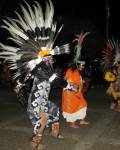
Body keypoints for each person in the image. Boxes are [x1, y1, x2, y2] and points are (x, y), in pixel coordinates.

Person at [0, 0, 70, 149]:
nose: (52, 61)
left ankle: (54, 132)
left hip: (43, 102)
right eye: (50, 59)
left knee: (55, 110)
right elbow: (36, 76)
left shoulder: (45, 70)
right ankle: (35, 143)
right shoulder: (41, 70)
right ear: (45, 60)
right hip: (36, 103)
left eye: (52, 59)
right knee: (43, 121)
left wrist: (68, 86)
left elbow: (51, 80)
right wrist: (19, 84)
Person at [62, 62, 90, 128]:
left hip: (77, 93)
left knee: (83, 105)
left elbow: (76, 80)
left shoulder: (76, 71)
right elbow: (67, 81)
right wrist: (74, 87)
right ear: (77, 65)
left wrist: (81, 81)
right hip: (70, 94)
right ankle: (72, 124)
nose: (83, 67)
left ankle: (82, 120)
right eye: (82, 65)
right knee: (72, 108)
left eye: (83, 65)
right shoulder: (71, 71)